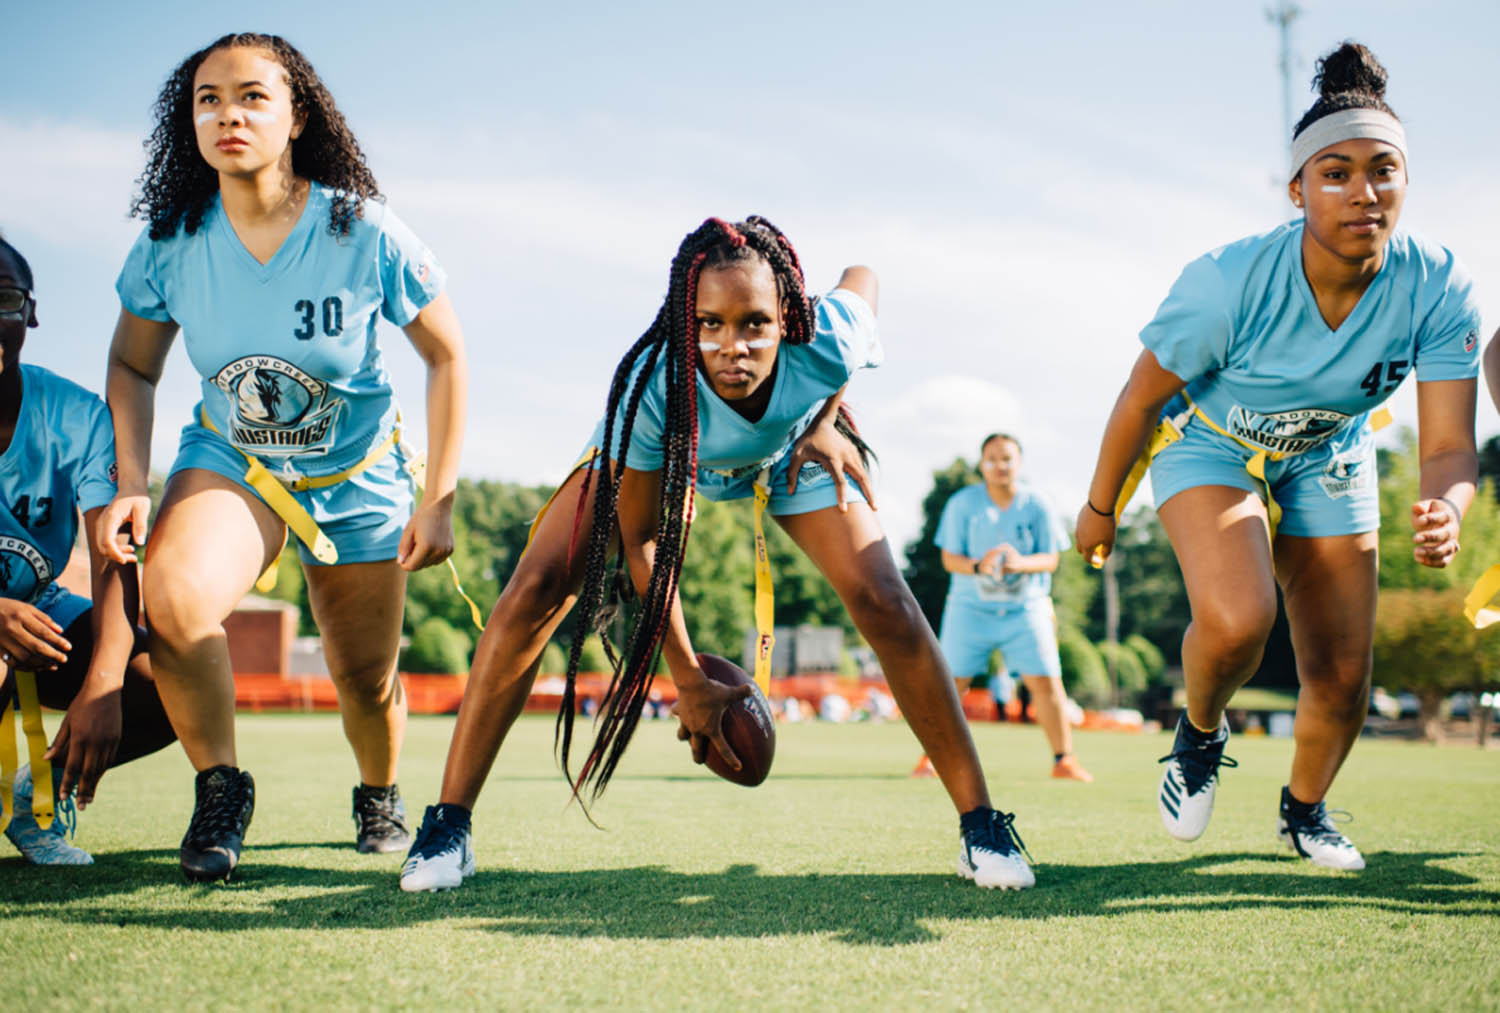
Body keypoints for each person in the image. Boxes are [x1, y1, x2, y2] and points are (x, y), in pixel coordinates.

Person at [400, 216, 1033, 893]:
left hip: (788, 451)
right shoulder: (655, 383)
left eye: (755, 323)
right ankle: (449, 824)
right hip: (674, 456)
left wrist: (823, 420)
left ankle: (982, 824)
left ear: (787, 316)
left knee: (887, 602)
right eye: (710, 324)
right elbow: (643, 539)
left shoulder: (827, 339)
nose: (733, 346)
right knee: (536, 587)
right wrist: (688, 679)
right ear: (686, 321)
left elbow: (864, 280)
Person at [1074, 42, 1480, 871]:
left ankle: (1304, 811)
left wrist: (1450, 507)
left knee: (1341, 671)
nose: (1362, 192)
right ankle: (1197, 733)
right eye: (1335, 173)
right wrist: (1100, 505)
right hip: (1211, 444)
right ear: (1297, 189)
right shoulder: (1227, 282)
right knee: (1238, 619)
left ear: (1406, 180)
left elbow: (1446, 447)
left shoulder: (1439, 287)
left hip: (1329, 453)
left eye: (1383, 170)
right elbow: (1140, 397)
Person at [98, 33, 468, 882]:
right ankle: (221, 787)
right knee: (176, 599)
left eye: (254, 96)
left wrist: (440, 494)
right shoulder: (172, 242)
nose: (229, 112)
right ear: (188, 121)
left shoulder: (361, 229)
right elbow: (131, 364)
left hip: (357, 477)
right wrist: (131, 481)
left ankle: (378, 791)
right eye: (208, 98)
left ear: (298, 115)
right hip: (236, 464)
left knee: (364, 676)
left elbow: (448, 354)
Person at [0, 236, 177, 865]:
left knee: (170, 681)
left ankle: (38, 796)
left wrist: (102, 683)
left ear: (30, 313)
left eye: (3, 298)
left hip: (39, 606)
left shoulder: (73, 415)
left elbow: (113, 556)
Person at [913, 433, 1092, 782]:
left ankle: (1064, 760)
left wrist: (1020, 563)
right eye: (992, 458)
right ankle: (929, 759)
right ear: (982, 465)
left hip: (1026, 608)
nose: (1000, 465)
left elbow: (1051, 558)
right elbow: (949, 559)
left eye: (1007, 458)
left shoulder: (1038, 503)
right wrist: (981, 566)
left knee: (1047, 681)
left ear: (1019, 463)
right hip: (970, 609)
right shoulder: (962, 504)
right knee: (951, 683)